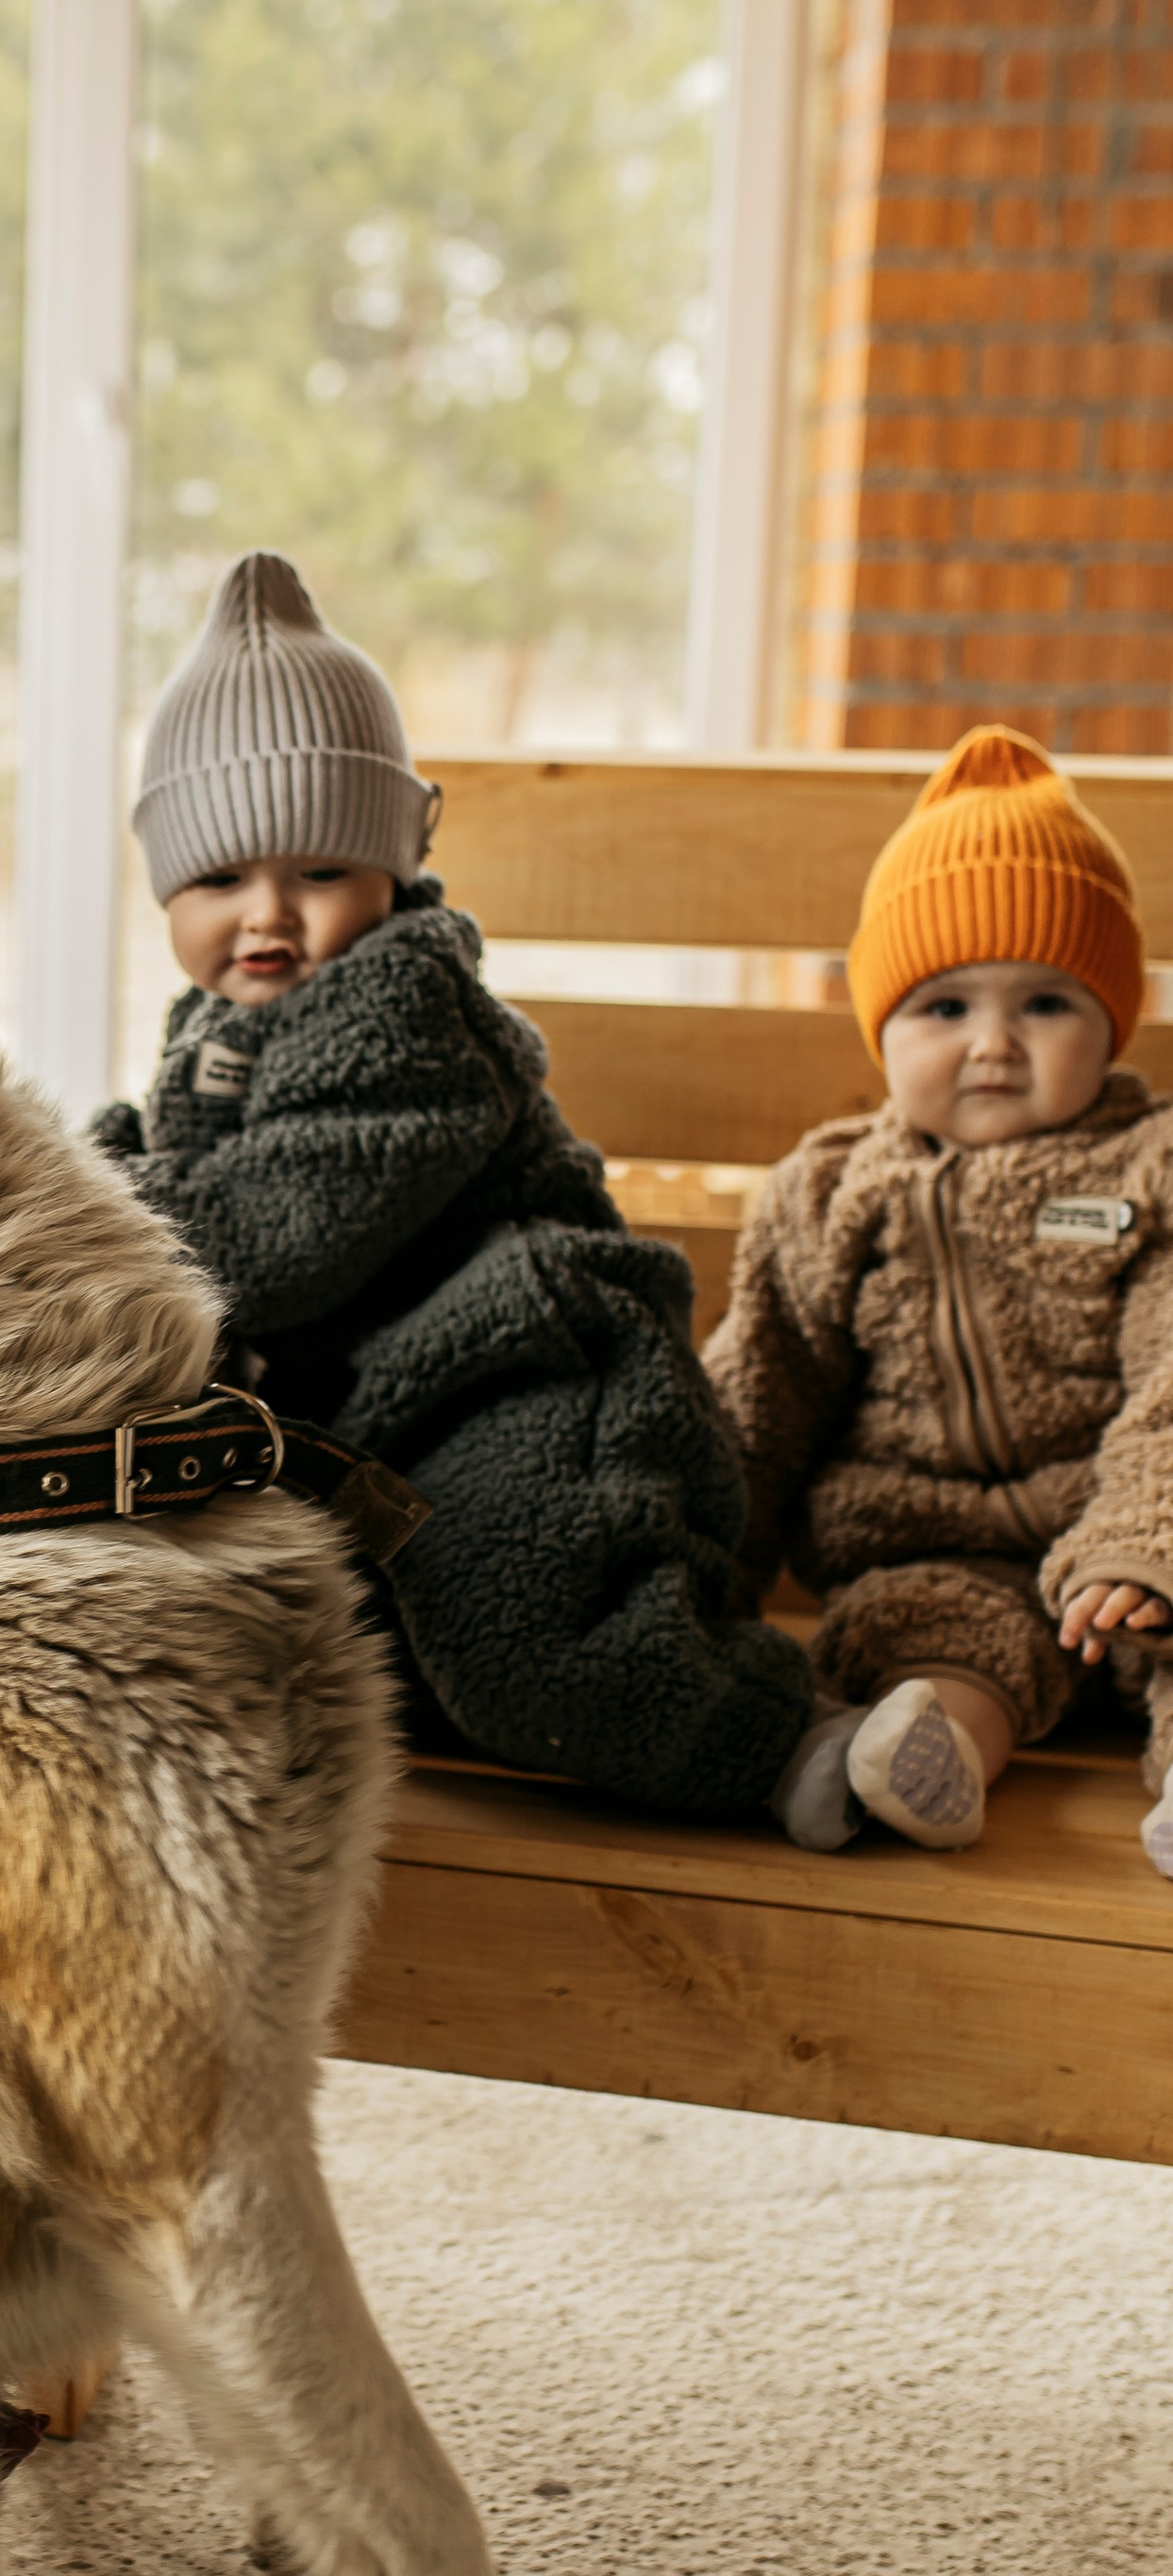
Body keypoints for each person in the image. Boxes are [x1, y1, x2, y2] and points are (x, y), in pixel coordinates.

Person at [92, 549, 815, 1818]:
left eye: (319, 871)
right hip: (373, 1428)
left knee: (534, 1636)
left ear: (394, 862)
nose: (268, 914)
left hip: (529, 1376)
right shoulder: (211, 1031)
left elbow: (269, 1239)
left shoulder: (409, 1010)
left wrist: (83, 1197)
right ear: (167, 887)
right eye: (219, 879)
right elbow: (197, 1195)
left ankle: (784, 1734)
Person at [705, 723, 1173, 1862]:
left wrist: (1141, 1539)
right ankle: (926, 1757)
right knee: (928, 1638)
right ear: (881, 1025)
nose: (994, 1045)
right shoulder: (822, 1195)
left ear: (1113, 1019)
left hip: (1130, 1540)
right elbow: (754, 1407)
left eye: (1046, 1004)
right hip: (926, 1542)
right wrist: (699, 1586)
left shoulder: (1148, 1168)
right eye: (945, 1007)